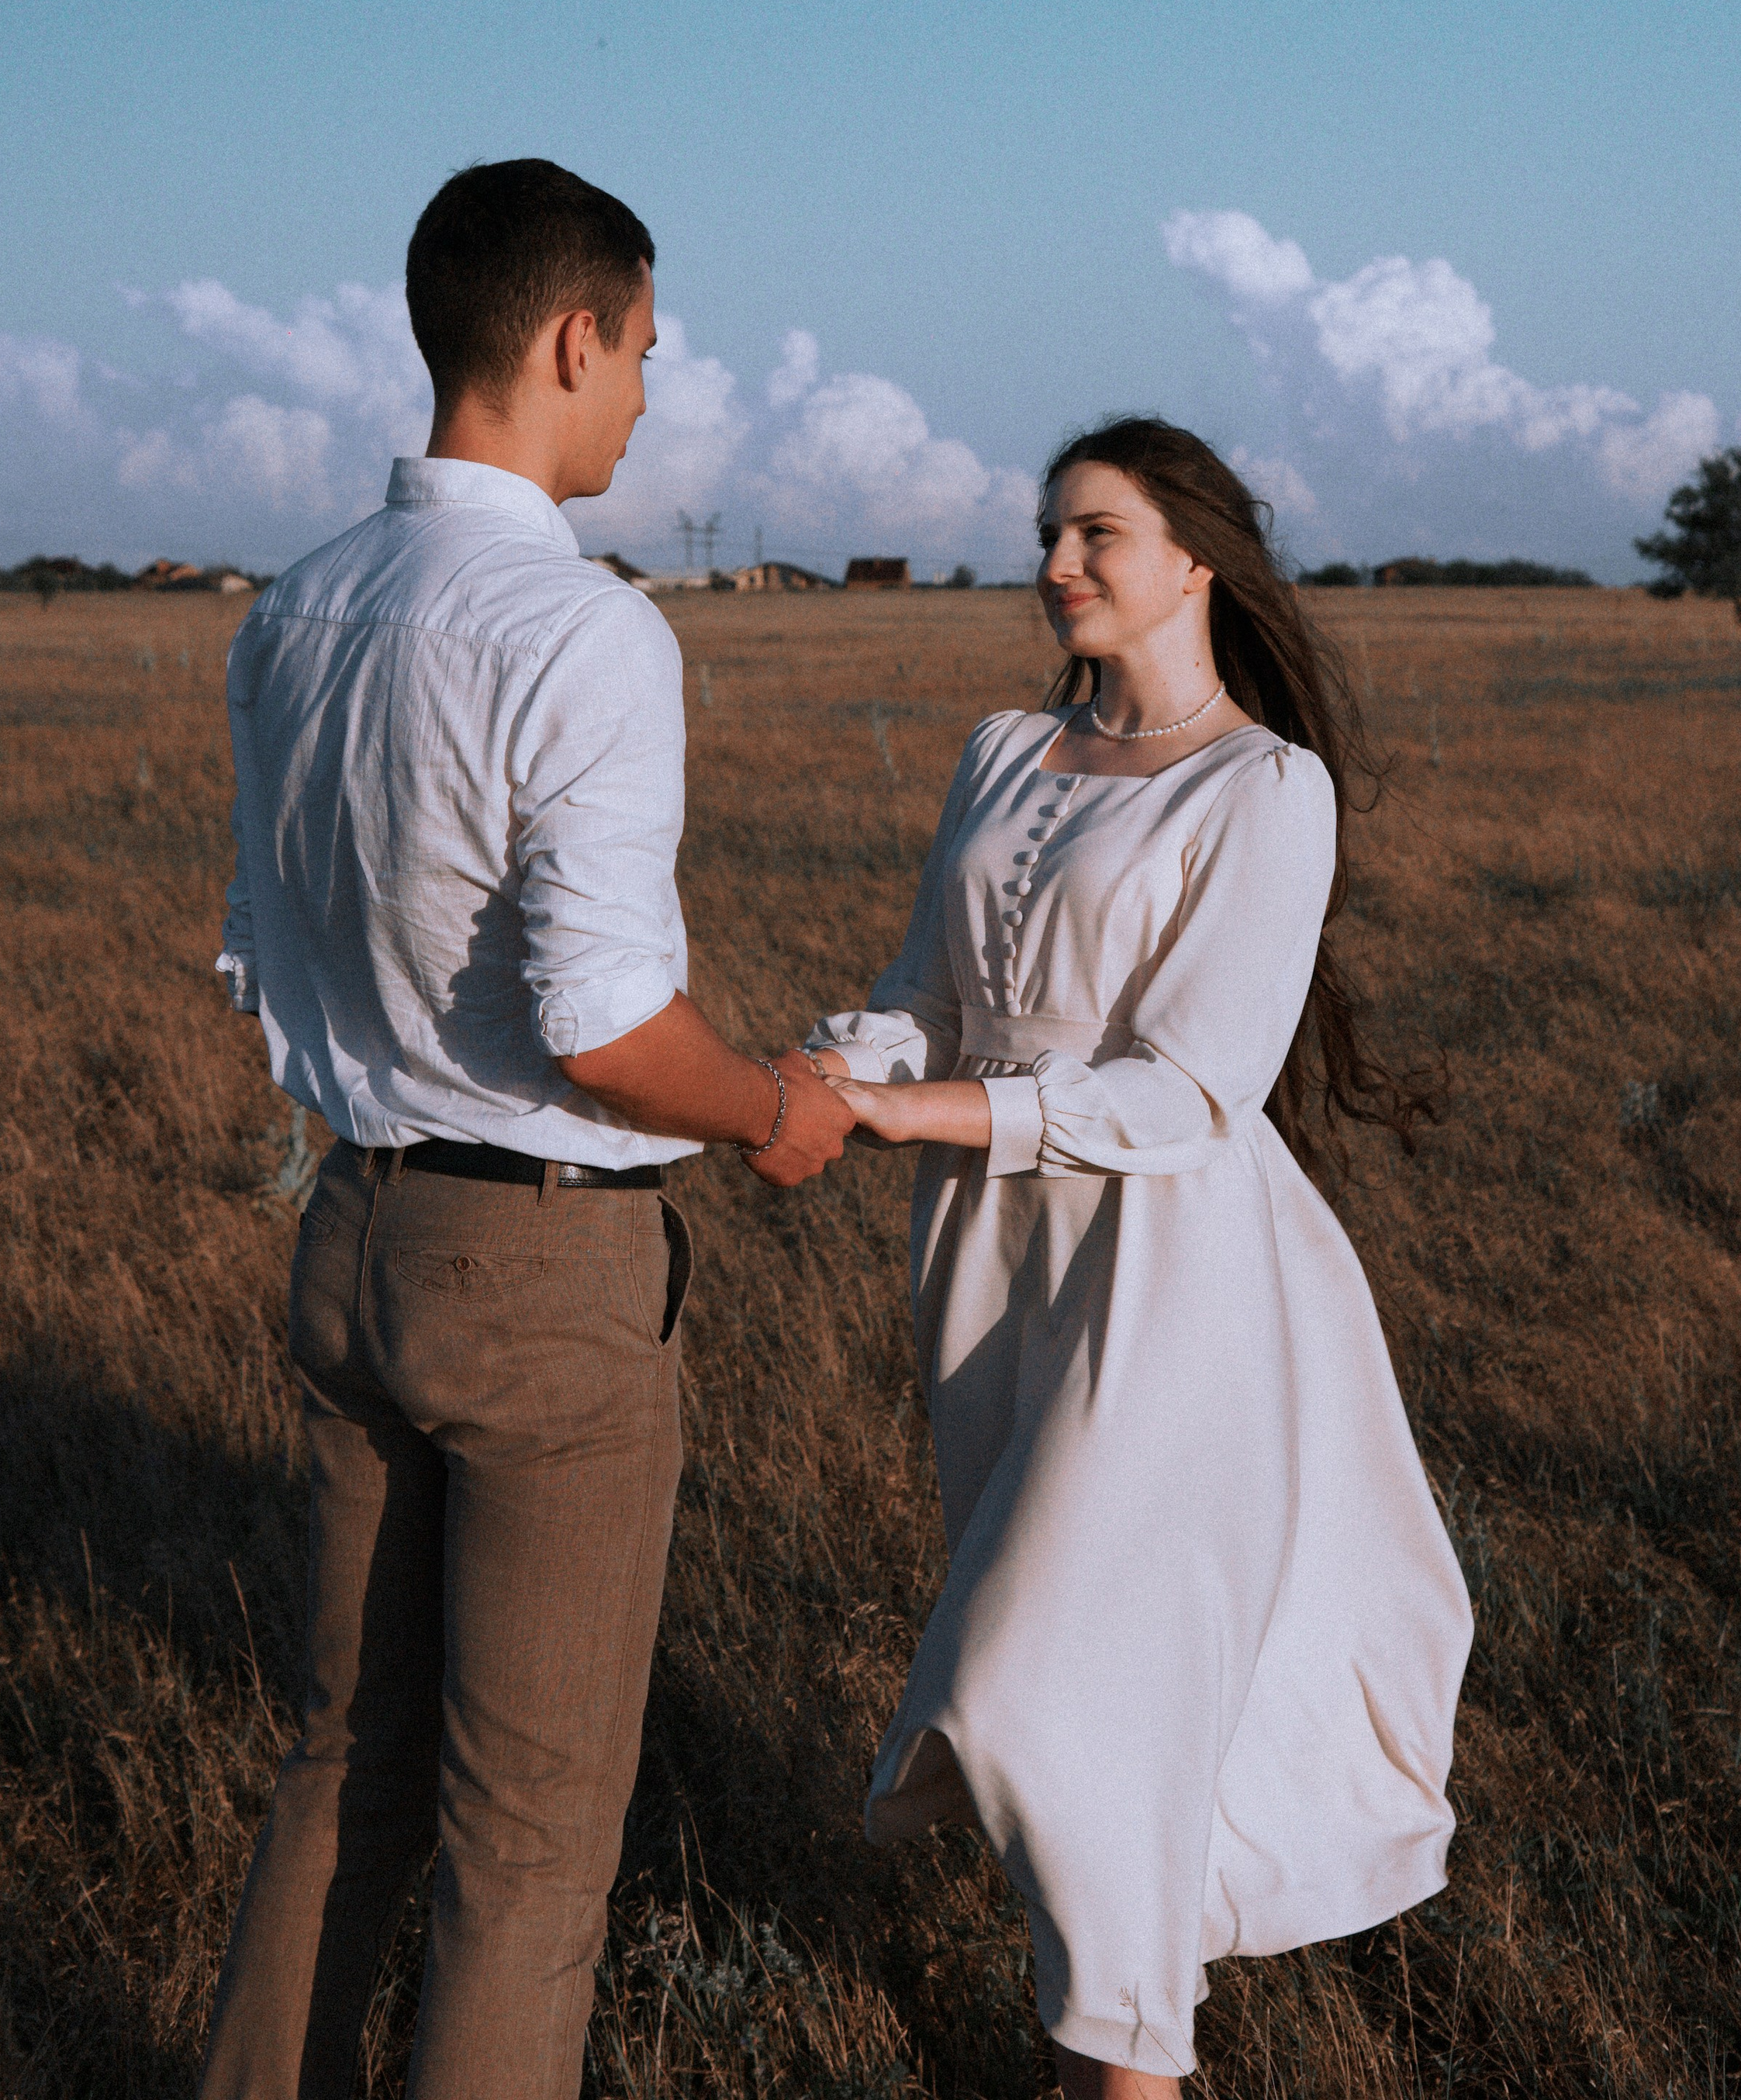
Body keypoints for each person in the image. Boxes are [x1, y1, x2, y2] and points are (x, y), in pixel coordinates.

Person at [199, 159, 852, 2100]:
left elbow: (255, 962)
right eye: (643, 353)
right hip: (547, 1266)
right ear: (571, 338)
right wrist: (774, 1113)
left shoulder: (293, 610)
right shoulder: (584, 629)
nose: (648, 398)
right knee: (532, 1838)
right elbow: (605, 1028)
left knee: (341, 1766)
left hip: (351, 1234)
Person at [810, 419, 1473, 2099]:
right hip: (983, 1255)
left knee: (1037, 1682)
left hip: (1169, 1271)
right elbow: (925, 997)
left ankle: (1131, 2064)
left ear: (1195, 557)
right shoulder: (996, 753)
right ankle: (1109, 2039)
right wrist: (837, 1076)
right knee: (1114, 1683)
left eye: (1093, 534)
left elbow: (1186, 1089)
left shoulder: (1263, 787)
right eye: (1047, 535)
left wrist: (926, 1115)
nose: (1054, 567)